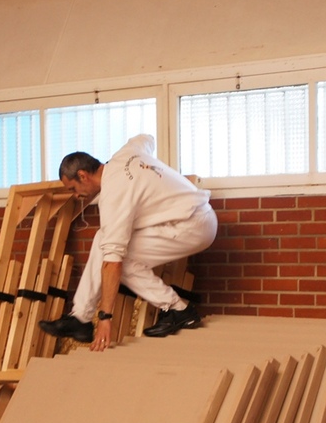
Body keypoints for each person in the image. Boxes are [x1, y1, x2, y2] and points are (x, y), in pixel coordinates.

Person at [39, 134, 218, 352]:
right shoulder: (126, 153)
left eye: (73, 189)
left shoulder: (114, 195)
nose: (76, 196)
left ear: (83, 175)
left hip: (193, 226)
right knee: (102, 238)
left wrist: (105, 318)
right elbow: (147, 138)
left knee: (122, 260)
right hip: (190, 217)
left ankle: (178, 309)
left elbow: (112, 263)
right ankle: (80, 319)